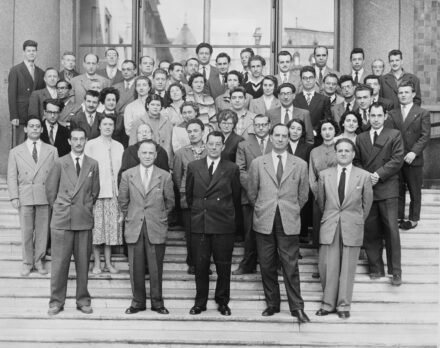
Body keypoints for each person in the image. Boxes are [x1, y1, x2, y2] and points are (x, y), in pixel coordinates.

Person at [247, 123, 310, 322]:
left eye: (285, 135)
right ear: (271, 137)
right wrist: (263, 207)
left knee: (290, 265)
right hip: (264, 218)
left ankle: (297, 307)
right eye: (277, 135)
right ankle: (272, 304)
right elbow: (251, 192)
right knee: (266, 264)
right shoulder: (258, 163)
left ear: (289, 138)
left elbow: (303, 195)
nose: (281, 139)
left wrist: (289, 209)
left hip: (288, 220)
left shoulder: (300, 164)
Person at [185, 131, 241, 316]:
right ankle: (200, 302)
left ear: (223, 146)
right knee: (200, 267)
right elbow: (191, 195)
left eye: (218, 144)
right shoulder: (194, 166)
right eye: (211, 144)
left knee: (223, 266)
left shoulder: (232, 168)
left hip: (223, 225)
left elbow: (235, 197)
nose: (214, 147)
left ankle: (223, 301)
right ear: (205, 145)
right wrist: (201, 212)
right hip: (200, 223)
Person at [316, 138, 373, 319]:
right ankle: (327, 304)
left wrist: (354, 220)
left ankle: (343, 306)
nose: (343, 153)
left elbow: (367, 204)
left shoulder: (363, 176)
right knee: (328, 266)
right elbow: (321, 202)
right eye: (340, 150)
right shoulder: (324, 175)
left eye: (347, 151)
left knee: (348, 268)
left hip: (352, 226)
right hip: (330, 224)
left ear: (353, 154)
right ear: (335, 153)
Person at [46, 127, 100, 316]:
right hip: (62, 220)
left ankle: (83, 300)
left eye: (81, 139)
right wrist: (62, 209)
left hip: (83, 220)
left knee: (83, 264)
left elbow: (95, 192)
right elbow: (51, 192)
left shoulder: (93, 164)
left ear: (86, 141)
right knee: (59, 264)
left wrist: (83, 208)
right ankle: (56, 302)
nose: (78, 143)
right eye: (74, 139)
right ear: (69, 141)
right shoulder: (59, 163)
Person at [119, 140, 174, 315]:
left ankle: (157, 303)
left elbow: (170, 201)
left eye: (151, 153)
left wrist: (159, 216)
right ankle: (137, 302)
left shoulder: (164, 176)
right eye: (144, 153)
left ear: (156, 155)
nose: (148, 156)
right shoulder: (128, 175)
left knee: (156, 266)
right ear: (138, 154)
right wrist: (132, 216)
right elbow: (123, 201)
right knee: (135, 266)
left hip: (155, 225)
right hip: (135, 225)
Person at [355, 102, 404, 286]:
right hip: (368, 189)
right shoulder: (360, 138)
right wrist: (367, 176)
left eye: (378, 115)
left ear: (385, 116)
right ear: (368, 116)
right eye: (372, 116)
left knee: (391, 230)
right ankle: (376, 267)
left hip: (387, 188)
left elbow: (397, 159)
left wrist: (378, 174)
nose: (375, 119)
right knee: (370, 230)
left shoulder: (394, 135)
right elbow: (357, 161)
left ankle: (395, 271)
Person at [7, 117, 58, 276]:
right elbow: (11, 176)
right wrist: (14, 196)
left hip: (45, 195)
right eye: (31, 126)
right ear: (26, 129)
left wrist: (54, 197)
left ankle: (39, 261)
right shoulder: (15, 151)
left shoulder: (52, 150)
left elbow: (56, 175)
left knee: (43, 231)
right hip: (25, 195)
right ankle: (27, 262)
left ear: (42, 130)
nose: (35, 129)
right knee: (27, 231)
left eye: (38, 126)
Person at [386, 82, 431, 230]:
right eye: (400, 93)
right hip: (398, 157)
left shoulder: (422, 113)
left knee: (414, 189)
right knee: (398, 189)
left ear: (413, 94)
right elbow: (391, 136)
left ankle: (413, 218)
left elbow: (425, 136)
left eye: (406, 92)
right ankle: (399, 217)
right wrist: (397, 154)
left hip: (414, 158)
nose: (403, 95)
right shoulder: (393, 113)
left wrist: (413, 152)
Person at [233, 114, 272, 275]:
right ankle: (248, 264)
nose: (261, 128)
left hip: (271, 197)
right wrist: (252, 191)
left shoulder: (276, 142)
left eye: (264, 125)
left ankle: (271, 266)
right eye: (257, 125)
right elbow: (240, 170)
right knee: (250, 232)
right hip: (249, 196)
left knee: (270, 232)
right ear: (253, 127)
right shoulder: (244, 145)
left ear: (269, 125)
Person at [85, 116, 124, 274]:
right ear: (99, 126)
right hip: (97, 194)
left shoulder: (119, 146)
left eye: (111, 124)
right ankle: (97, 263)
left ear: (114, 127)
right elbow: (86, 170)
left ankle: (108, 263)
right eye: (105, 124)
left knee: (110, 230)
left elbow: (121, 170)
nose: (108, 127)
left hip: (114, 193)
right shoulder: (91, 144)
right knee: (97, 230)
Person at [172, 119, 207, 275]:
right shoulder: (181, 153)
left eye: (196, 131)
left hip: (208, 199)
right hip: (188, 199)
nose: (193, 134)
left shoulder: (210, 150)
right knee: (191, 232)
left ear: (203, 131)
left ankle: (205, 262)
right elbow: (178, 176)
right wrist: (185, 191)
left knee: (206, 232)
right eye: (190, 131)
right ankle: (192, 263)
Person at [8, 40, 45, 146]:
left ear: (37, 52)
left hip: (36, 114)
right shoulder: (15, 70)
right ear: (24, 52)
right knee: (19, 144)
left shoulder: (41, 72)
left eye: (34, 50)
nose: (31, 53)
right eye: (29, 51)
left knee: (34, 144)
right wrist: (14, 115)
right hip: (21, 114)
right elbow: (12, 94)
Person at [309, 119, 339, 248]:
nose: (327, 132)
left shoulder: (341, 149)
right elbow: (311, 176)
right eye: (324, 129)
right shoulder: (314, 151)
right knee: (319, 227)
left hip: (338, 195)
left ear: (335, 131)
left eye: (330, 129)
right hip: (319, 196)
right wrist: (319, 195)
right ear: (320, 132)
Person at [286, 118, 314, 241]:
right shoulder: (282, 144)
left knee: (301, 212)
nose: (295, 131)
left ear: (303, 132)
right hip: (285, 185)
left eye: (299, 129)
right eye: (292, 128)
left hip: (300, 184)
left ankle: (300, 238)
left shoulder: (308, 147)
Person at [129, 94, 173, 166]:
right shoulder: (137, 122)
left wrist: (169, 164)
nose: (155, 107)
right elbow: (132, 144)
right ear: (147, 105)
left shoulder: (168, 124)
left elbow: (169, 146)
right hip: (142, 161)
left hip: (162, 161)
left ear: (161, 107)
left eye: (158, 105)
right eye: (152, 104)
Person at [293, 66, 332, 131]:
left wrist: (316, 131)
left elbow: (327, 121)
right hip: (299, 136)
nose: (308, 80)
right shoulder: (294, 99)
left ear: (315, 79)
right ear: (301, 80)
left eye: (310, 78)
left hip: (318, 137)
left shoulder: (324, 99)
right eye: (305, 78)